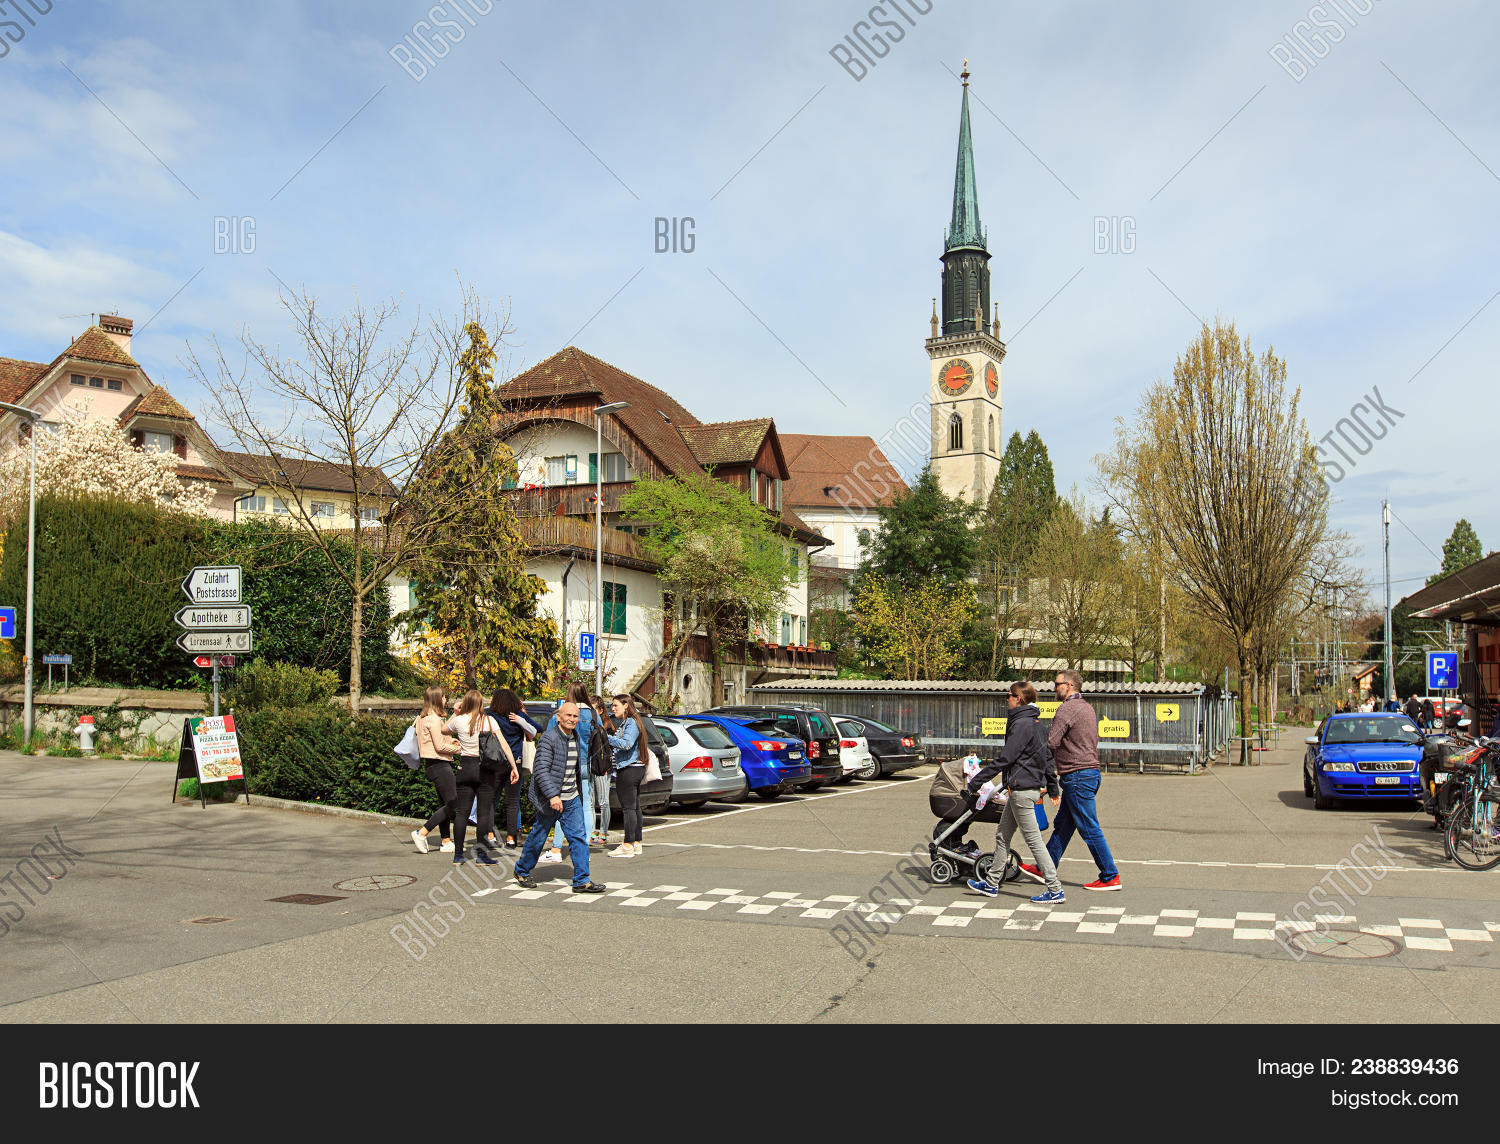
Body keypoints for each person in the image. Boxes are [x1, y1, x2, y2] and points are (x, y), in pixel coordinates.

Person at [965, 681, 1065, 903]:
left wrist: (976, 782)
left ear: (1018, 698)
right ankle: (991, 883)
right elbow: (1047, 758)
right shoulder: (1036, 724)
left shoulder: (1022, 725)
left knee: (1034, 841)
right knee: (1002, 836)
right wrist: (1052, 787)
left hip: (1021, 790)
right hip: (1020, 789)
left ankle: (1055, 889)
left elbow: (1006, 758)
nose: (1006, 699)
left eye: (1009, 696)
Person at [1039, 669, 1120, 891]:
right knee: (1063, 825)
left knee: (1088, 827)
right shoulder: (1086, 707)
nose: (1053, 688)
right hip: (1087, 773)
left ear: (1069, 686)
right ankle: (1045, 865)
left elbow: (1051, 742)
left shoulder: (1067, 709)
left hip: (1077, 775)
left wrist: (1039, 770)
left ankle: (1110, 875)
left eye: (1057, 684)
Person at [512, 701, 605, 893]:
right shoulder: (549, 738)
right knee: (538, 837)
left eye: (575, 716)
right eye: (568, 715)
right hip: (550, 800)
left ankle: (581, 880)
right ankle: (521, 870)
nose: (571, 719)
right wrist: (553, 795)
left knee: (578, 838)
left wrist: (576, 792)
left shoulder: (576, 737)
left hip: (571, 798)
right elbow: (541, 770)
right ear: (559, 717)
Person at [445, 690, 513, 866]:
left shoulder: (459, 721)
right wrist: (513, 767)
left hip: (465, 767)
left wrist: (455, 712)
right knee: (483, 814)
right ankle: (481, 855)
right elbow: (504, 745)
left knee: (462, 813)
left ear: (465, 702)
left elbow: (444, 729)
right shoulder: (488, 720)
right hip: (485, 769)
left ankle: (458, 855)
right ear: (481, 704)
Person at [544, 683, 598, 861]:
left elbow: (550, 737)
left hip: (564, 766)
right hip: (586, 765)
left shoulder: (561, 714)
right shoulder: (592, 714)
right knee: (586, 808)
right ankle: (584, 850)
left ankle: (556, 850)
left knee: (562, 806)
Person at [411, 686, 460, 854]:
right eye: (444, 697)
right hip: (439, 765)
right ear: (438, 699)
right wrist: (458, 750)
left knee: (445, 803)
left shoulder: (423, 718)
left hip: (432, 765)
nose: (446, 700)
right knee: (453, 802)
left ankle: (446, 841)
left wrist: (455, 715)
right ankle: (422, 832)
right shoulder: (433, 720)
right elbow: (439, 746)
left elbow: (440, 736)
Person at [487, 688, 538, 849]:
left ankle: (489, 835)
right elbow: (535, 731)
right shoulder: (517, 715)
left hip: (494, 762)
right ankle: (510, 838)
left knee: (490, 799)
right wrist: (520, 720)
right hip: (515, 762)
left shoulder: (490, 716)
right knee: (512, 801)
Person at [606, 693, 650, 858]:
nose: (613, 708)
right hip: (634, 768)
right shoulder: (630, 721)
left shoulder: (631, 722)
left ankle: (627, 845)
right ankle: (636, 843)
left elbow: (626, 744)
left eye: (615, 705)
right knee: (635, 806)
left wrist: (607, 738)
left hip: (629, 768)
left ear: (626, 705)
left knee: (628, 808)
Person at [590, 695, 613, 847]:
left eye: (593, 709)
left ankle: (603, 831)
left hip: (603, 767)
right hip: (591, 766)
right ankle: (592, 831)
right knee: (591, 801)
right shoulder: (590, 725)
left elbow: (609, 750)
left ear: (600, 709)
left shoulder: (607, 726)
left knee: (603, 801)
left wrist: (606, 767)